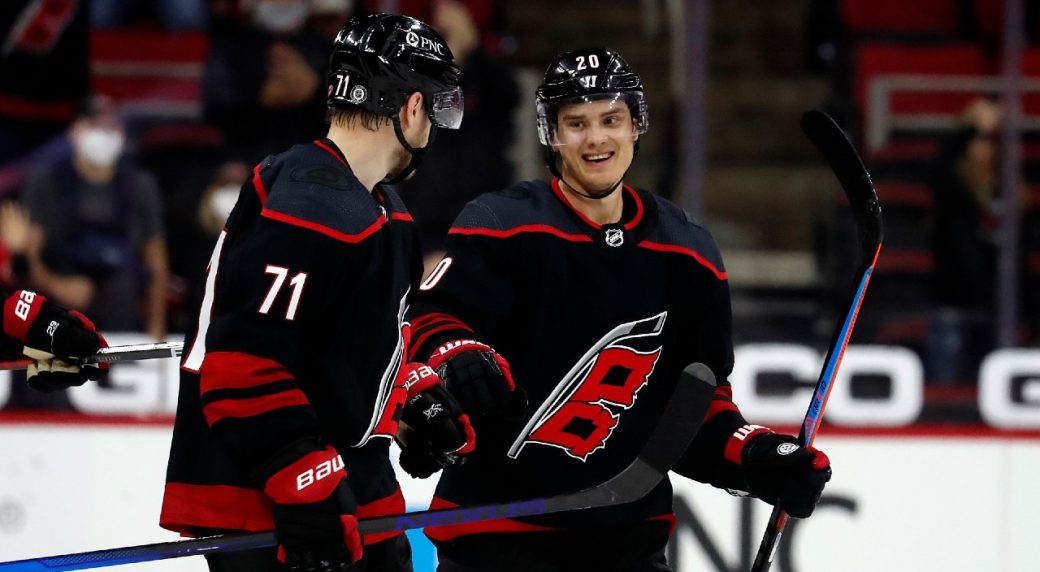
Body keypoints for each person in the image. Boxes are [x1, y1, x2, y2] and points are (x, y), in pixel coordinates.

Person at [405, 48, 833, 571]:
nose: (596, 139)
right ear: (552, 135)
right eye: (576, 123)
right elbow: (428, 317)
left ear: (636, 125)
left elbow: (693, 409)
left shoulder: (689, 253)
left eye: (611, 119)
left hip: (626, 544)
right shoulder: (501, 223)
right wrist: (458, 351)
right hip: (494, 536)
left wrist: (757, 455)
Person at [160, 13, 475, 572]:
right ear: (412, 108)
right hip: (278, 510)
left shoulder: (381, 210)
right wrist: (300, 479)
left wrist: (413, 403)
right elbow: (242, 365)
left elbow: (355, 352)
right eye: (435, 110)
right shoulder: (314, 200)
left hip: (357, 490)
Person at [21, 95, 170, 341]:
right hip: (60, 301)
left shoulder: (141, 186)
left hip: (121, 307)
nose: (103, 134)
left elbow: (156, 261)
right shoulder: (46, 182)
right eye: (94, 126)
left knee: (121, 287)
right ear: (74, 132)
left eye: (111, 127)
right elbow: (27, 257)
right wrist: (58, 285)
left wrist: (157, 333)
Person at [202, 0, 332, 165]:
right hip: (245, 163)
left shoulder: (327, 49)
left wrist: (316, 90)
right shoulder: (232, 48)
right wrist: (260, 99)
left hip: (314, 166)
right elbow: (214, 107)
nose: (282, 3)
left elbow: (353, 116)